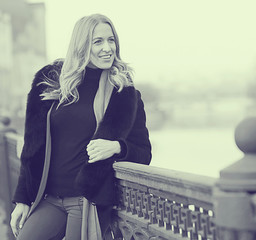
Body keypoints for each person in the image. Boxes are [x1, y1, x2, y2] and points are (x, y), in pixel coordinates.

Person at [10, 13, 152, 240]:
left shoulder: (123, 94)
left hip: (85, 201)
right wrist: (22, 200)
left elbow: (144, 153)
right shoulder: (49, 82)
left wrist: (117, 147)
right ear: (82, 44)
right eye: (98, 41)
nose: (108, 48)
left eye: (111, 40)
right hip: (48, 198)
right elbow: (32, 147)